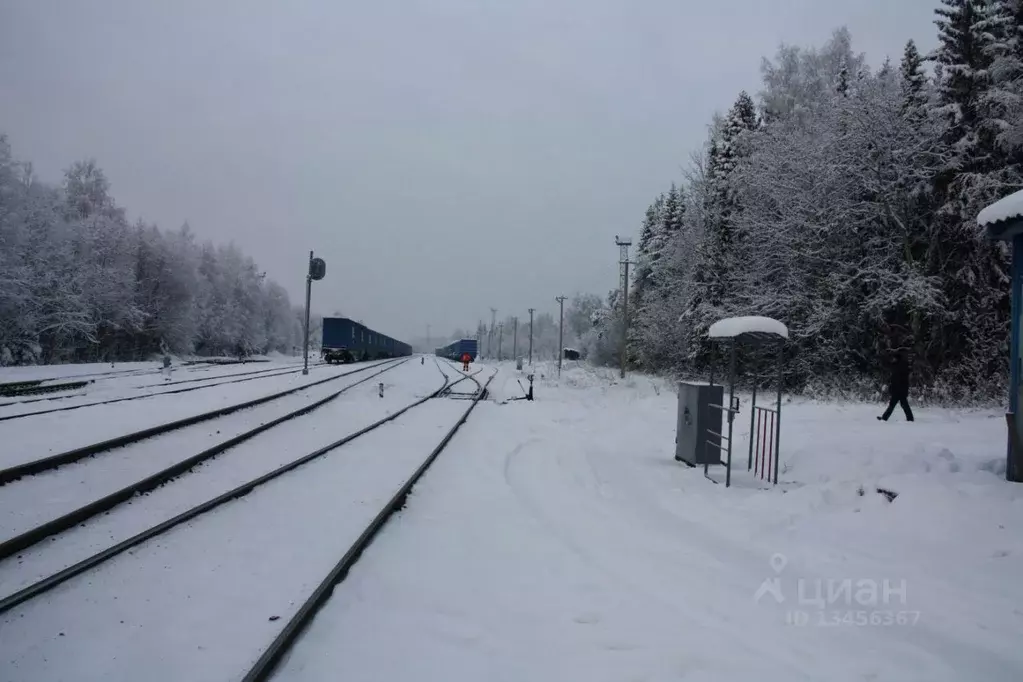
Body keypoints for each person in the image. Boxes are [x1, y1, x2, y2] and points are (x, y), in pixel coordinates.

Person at [878, 352, 913, 422]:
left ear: (896, 359)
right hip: (900, 390)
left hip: (898, 390)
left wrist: (883, 358)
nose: (892, 359)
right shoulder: (901, 365)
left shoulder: (898, 366)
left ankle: (884, 418)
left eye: (893, 358)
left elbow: (895, 378)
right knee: (902, 405)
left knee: (894, 405)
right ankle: (910, 418)